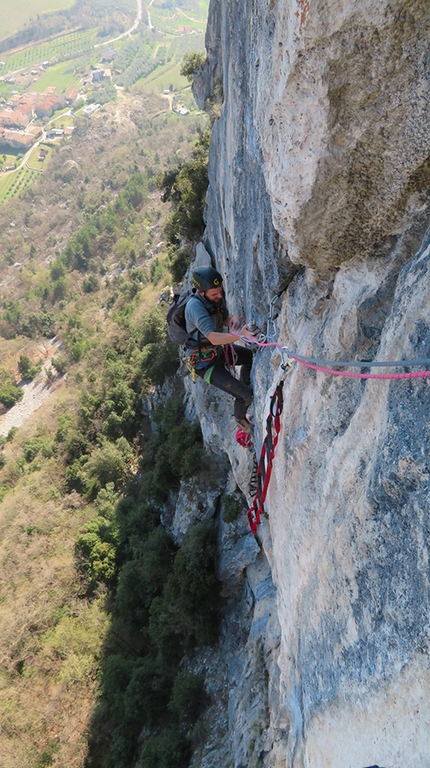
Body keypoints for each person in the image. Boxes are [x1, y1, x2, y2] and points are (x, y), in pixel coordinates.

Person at [184, 265, 258, 433]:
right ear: (201, 293)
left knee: (247, 357)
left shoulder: (216, 298)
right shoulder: (194, 307)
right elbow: (213, 337)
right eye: (214, 294)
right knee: (244, 395)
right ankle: (242, 422)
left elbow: (223, 318)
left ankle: (247, 389)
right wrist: (241, 335)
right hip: (204, 364)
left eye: (220, 291)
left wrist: (232, 319)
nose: (219, 295)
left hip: (217, 352)